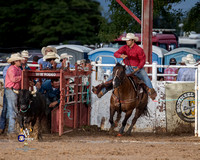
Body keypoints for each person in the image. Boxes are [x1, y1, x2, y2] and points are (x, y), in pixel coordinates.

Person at [92, 33, 157, 100]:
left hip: (138, 69)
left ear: (132, 41)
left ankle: (152, 93)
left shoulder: (139, 49)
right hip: (128, 68)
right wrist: (121, 56)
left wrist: (138, 68)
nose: (126, 41)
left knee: (146, 78)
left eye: (128, 40)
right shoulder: (125, 47)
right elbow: (116, 53)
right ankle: (101, 91)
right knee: (113, 78)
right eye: (126, 40)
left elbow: (142, 60)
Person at [4, 53, 25, 136]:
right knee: (12, 109)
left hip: (14, 90)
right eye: (19, 60)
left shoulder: (17, 69)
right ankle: (11, 130)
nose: (20, 62)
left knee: (14, 109)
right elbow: (13, 79)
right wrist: (22, 76)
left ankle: (12, 129)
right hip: (11, 90)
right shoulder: (12, 69)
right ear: (15, 61)